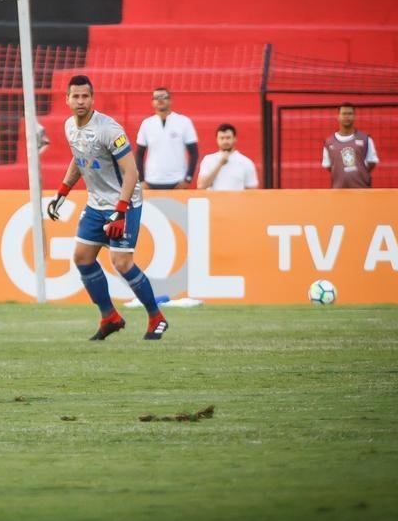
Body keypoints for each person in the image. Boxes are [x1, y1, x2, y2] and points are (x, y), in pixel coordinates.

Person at [46, 75, 169, 342]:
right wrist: (63, 192)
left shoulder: (109, 130)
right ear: (67, 99)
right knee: (82, 257)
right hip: (96, 203)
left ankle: (156, 317)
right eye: (75, 96)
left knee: (121, 262)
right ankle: (109, 317)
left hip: (124, 202)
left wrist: (121, 211)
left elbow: (132, 172)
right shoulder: (70, 127)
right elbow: (80, 159)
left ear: (92, 98)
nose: (81, 101)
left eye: (85, 96)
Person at [135, 87, 199, 190]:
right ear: (152, 102)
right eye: (156, 97)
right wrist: (141, 180)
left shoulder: (184, 122)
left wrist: (188, 179)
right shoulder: (146, 124)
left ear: (170, 100)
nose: (160, 100)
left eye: (163, 97)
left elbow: (194, 153)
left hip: (177, 182)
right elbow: (139, 154)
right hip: (151, 182)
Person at [322, 103, 378, 189]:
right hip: (339, 189)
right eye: (344, 114)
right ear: (338, 117)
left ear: (354, 116)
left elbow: (372, 162)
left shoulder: (365, 139)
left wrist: (359, 172)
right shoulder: (329, 142)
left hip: (362, 189)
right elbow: (328, 166)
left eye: (350, 114)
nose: (347, 116)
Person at [197, 124, 259, 191]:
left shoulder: (246, 162)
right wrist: (220, 164)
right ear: (217, 140)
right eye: (222, 138)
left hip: (237, 201)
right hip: (215, 201)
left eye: (228, 138)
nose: (225, 141)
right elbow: (201, 186)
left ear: (234, 139)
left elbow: (252, 190)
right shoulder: (208, 159)